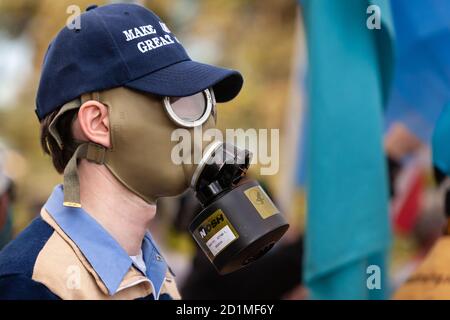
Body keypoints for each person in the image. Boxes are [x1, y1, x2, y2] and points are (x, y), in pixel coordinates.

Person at [0, 3, 243, 300]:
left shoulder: (155, 272)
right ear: (99, 123)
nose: (202, 128)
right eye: (181, 103)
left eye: (203, 103)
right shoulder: (32, 284)